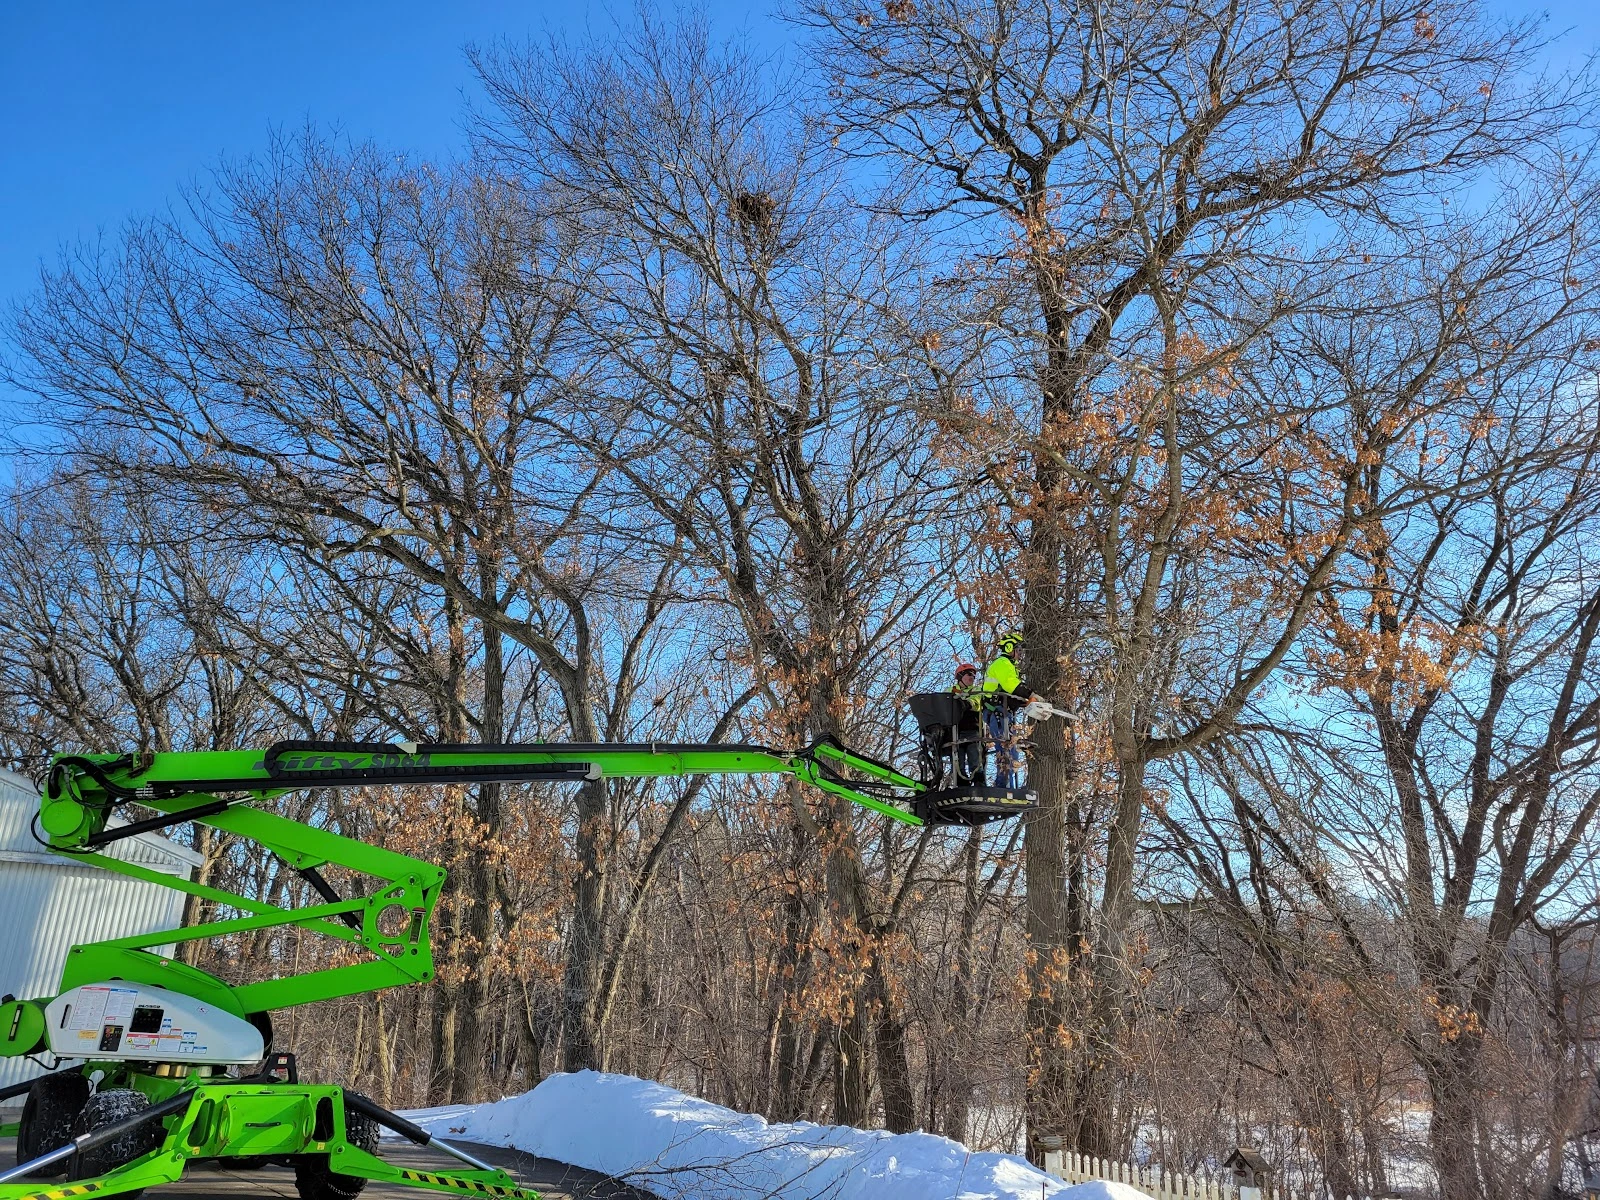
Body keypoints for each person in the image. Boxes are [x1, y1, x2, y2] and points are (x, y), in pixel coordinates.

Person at [982, 632, 1040, 788]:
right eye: (1018, 649)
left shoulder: (1010, 667)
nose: (1020, 654)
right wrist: (1030, 694)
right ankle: (1002, 786)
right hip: (998, 712)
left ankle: (1006, 785)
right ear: (1009, 648)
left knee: (1011, 750)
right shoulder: (1002, 663)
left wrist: (1026, 701)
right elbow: (1011, 686)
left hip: (1005, 712)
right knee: (1006, 749)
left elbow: (1011, 693)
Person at [951, 663, 985, 786]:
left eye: (974, 675)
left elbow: (976, 702)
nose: (972, 677)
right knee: (957, 760)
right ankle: (960, 784)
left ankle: (979, 783)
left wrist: (965, 703)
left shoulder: (976, 690)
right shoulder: (950, 691)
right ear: (960, 676)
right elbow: (943, 703)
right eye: (969, 674)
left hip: (972, 729)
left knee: (975, 758)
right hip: (955, 731)